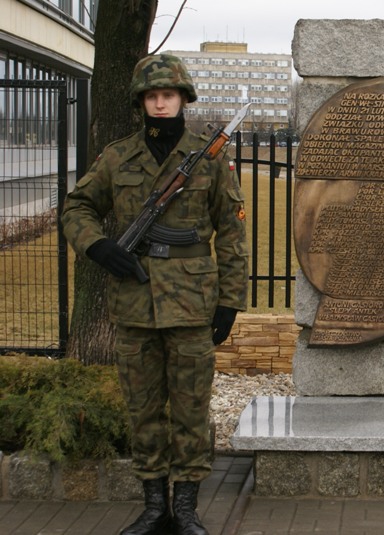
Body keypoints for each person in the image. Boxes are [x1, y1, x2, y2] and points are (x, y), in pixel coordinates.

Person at [61, 54, 248, 535]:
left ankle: (185, 509)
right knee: (143, 409)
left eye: (169, 95)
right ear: (141, 102)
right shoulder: (118, 156)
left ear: (183, 99)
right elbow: (76, 208)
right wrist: (99, 247)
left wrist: (230, 300)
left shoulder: (209, 157)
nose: (160, 103)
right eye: (152, 96)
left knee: (189, 409)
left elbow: (231, 232)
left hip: (191, 304)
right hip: (135, 304)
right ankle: (153, 507)